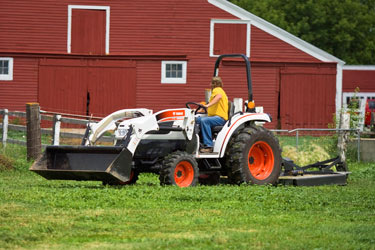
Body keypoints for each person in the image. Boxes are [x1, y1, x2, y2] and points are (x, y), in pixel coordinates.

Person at [196, 76, 228, 153]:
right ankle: (199, 142)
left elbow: (218, 97)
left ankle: (209, 145)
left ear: (214, 84)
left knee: (205, 121)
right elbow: (214, 106)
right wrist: (201, 110)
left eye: (211, 83)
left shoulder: (217, 90)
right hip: (214, 117)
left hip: (220, 118)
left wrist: (207, 105)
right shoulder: (219, 91)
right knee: (195, 120)